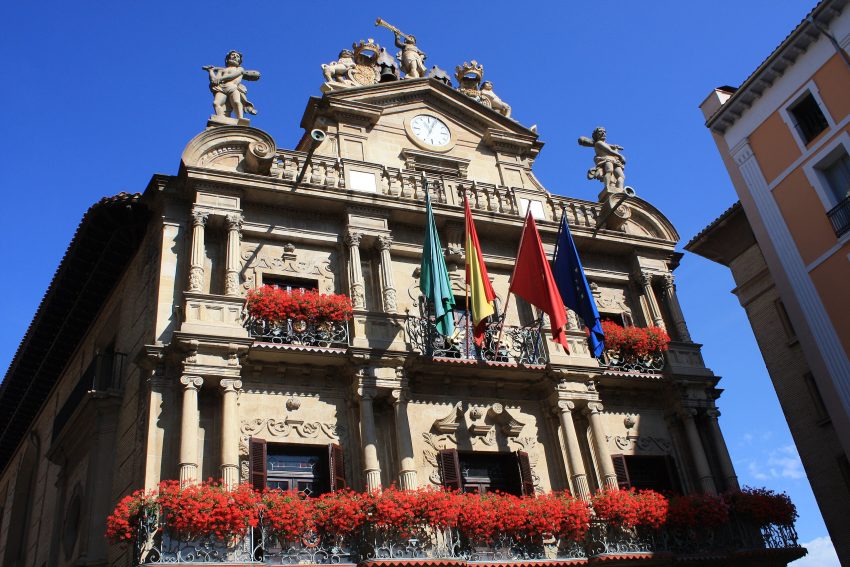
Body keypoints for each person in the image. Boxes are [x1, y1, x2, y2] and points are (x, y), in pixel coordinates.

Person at [202, 51, 261, 119]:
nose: (235, 56)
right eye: (233, 55)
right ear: (228, 58)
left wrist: (221, 79)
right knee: (216, 103)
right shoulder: (221, 71)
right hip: (221, 88)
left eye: (237, 56)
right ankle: (221, 118)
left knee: (236, 102)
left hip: (232, 87)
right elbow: (214, 80)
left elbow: (232, 76)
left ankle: (240, 118)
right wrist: (211, 71)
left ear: (239, 61)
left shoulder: (240, 69)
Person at [578, 127, 626, 191]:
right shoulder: (598, 143)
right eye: (600, 131)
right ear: (596, 135)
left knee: (621, 176)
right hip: (606, 159)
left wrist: (616, 149)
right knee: (609, 171)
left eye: (604, 132)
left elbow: (611, 150)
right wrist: (620, 155)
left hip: (614, 160)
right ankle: (607, 187)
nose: (603, 133)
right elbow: (609, 151)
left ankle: (620, 189)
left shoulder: (606, 144)